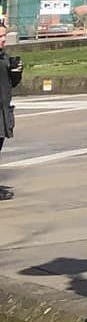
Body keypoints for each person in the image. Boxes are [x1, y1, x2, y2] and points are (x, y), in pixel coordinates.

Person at [1, 24, 19, 200]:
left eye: (4, 35)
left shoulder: (3, 56)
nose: (3, 39)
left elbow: (10, 84)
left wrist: (16, 73)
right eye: (0, 36)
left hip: (3, 109)